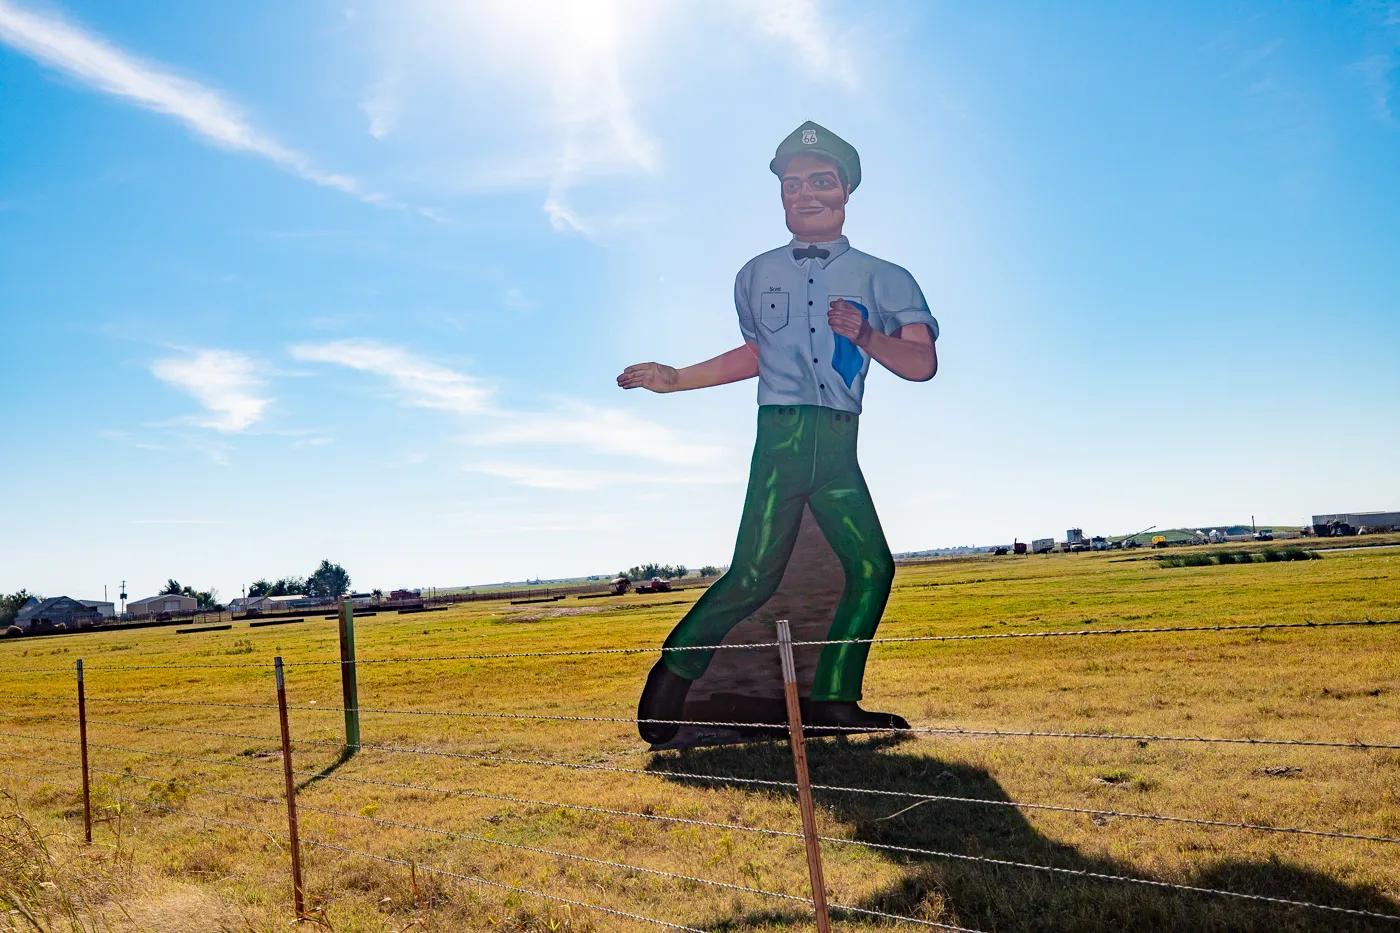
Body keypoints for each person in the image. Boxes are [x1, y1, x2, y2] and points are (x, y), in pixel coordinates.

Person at [617, 120, 939, 745]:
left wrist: (868, 337)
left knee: (871, 567)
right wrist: (676, 378)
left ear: (846, 190)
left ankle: (837, 701)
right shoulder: (755, 273)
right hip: (783, 440)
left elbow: (921, 365)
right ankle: (672, 675)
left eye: (820, 181)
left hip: (839, 444)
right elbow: (756, 355)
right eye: (792, 185)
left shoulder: (886, 276)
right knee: (753, 573)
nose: (805, 194)